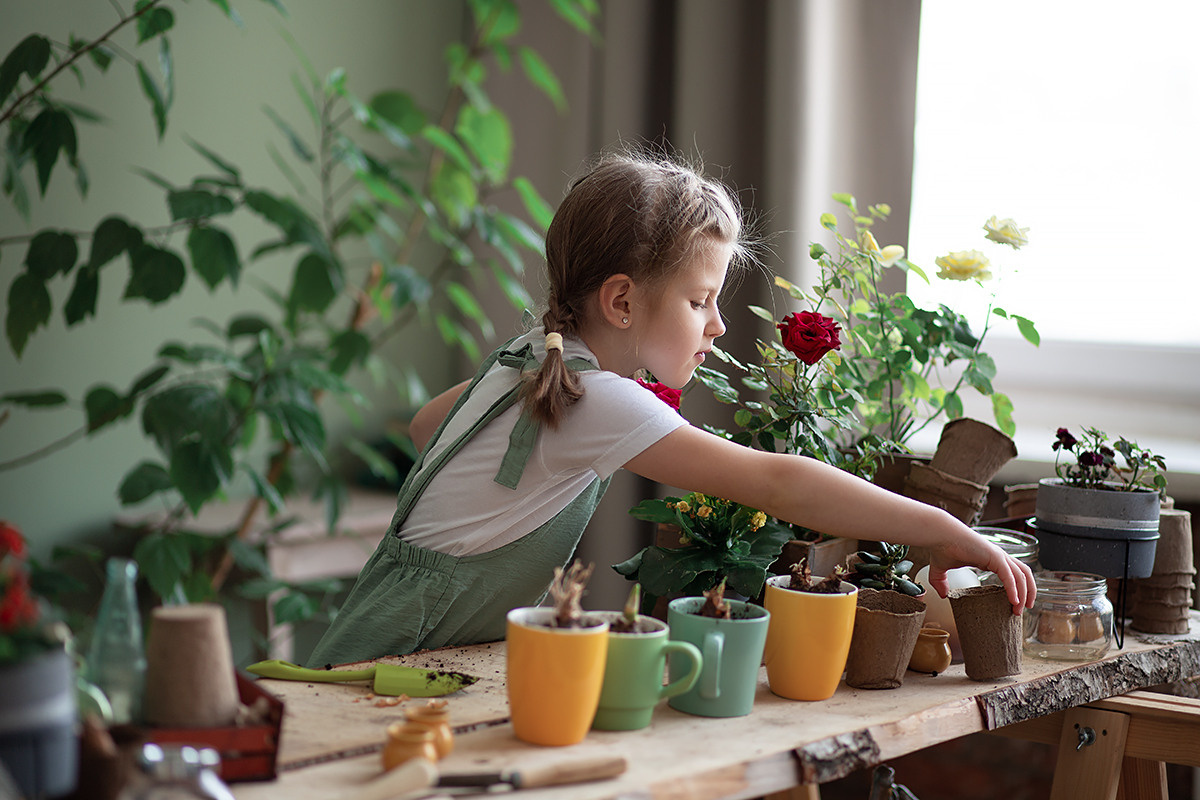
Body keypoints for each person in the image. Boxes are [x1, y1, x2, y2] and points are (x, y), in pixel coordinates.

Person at [308, 151, 1036, 666]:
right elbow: (778, 482)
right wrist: (945, 527)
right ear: (622, 301)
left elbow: (428, 427)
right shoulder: (598, 399)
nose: (717, 324)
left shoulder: (534, 355)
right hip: (393, 657)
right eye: (699, 300)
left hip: (378, 624)